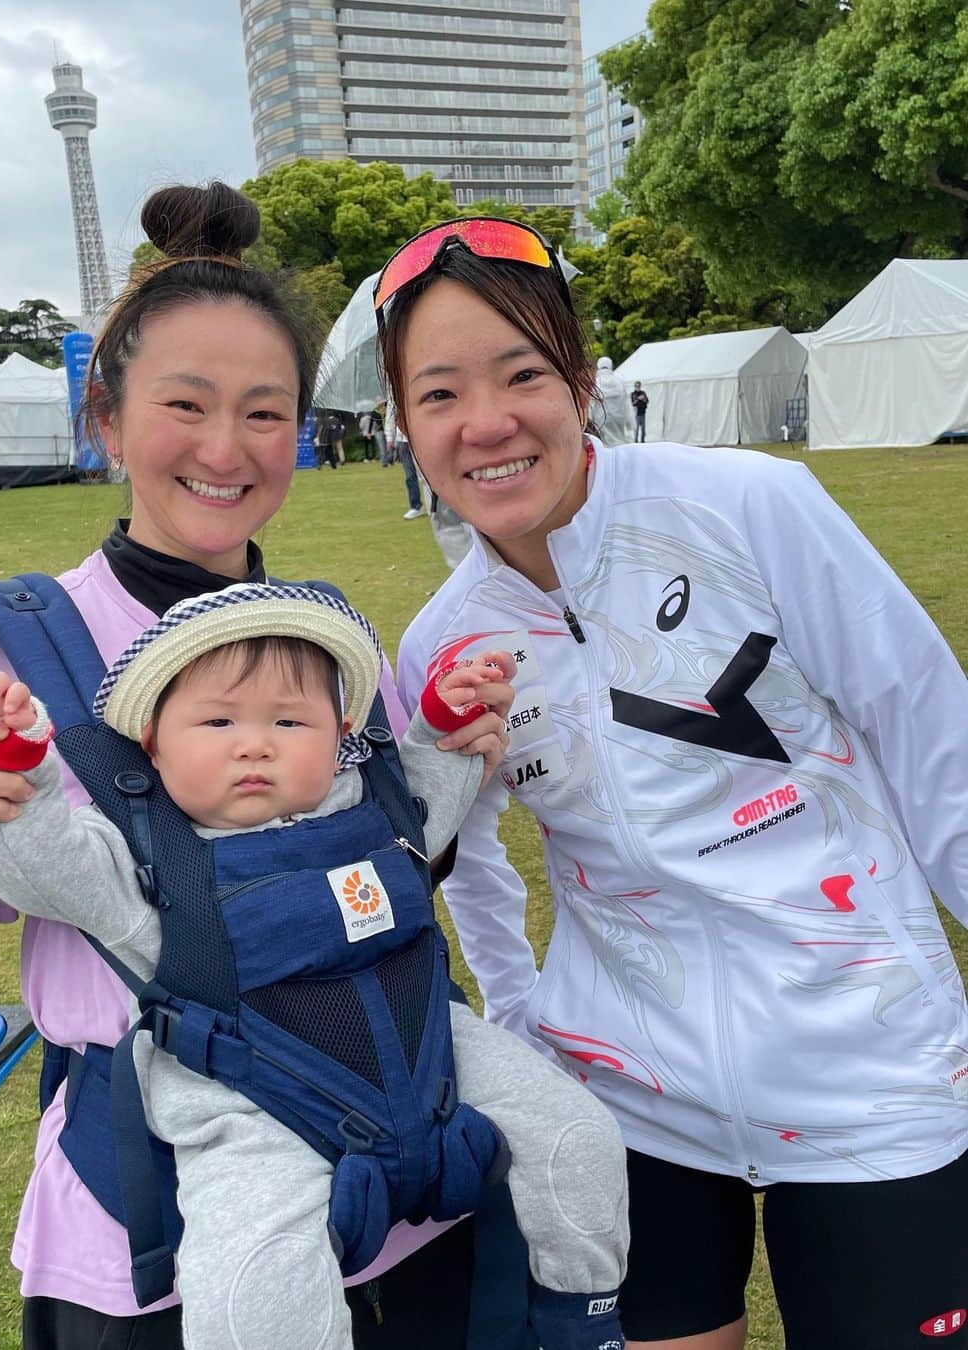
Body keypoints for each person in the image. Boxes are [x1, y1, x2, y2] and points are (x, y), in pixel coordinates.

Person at [0, 183, 528, 1350]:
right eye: (185, 405)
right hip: (154, 1226)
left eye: (266, 413)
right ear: (108, 418)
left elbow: (388, 883)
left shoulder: (334, 640)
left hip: (402, 1182)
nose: (226, 451)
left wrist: (450, 766)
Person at [375, 214, 968, 1350]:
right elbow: (470, 850)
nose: (487, 424)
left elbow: (928, 731)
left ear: (582, 380)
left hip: (871, 1070)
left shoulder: (750, 508)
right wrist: (525, 1020)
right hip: (628, 1097)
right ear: (405, 423)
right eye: (439, 394)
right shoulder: (440, 646)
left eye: (523, 375)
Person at [0, 585, 628, 1350]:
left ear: (339, 735)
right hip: (250, 1103)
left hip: (433, 1053)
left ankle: (582, 1317)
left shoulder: (373, 804)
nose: (255, 744)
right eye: (217, 721)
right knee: (252, 1280)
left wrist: (444, 725)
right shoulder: (141, 855)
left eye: (288, 721)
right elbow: (39, 868)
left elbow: (435, 792)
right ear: (151, 741)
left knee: (579, 1137)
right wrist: (18, 770)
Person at [384, 397, 424, 519]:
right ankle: (416, 505)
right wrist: (390, 438)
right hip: (403, 439)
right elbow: (390, 415)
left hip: (420, 437)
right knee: (410, 475)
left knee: (427, 475)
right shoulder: (393, 392)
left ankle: (437, 505)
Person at [590, 356, 631, 446]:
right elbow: (626, 402)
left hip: (601, 418)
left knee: (604, 444)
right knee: (619, 440)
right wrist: (629, 422)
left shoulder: (596, 383)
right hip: (619, 418)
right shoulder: (619, 381)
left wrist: (590, 419)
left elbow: (591, 404)